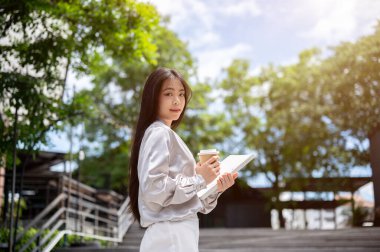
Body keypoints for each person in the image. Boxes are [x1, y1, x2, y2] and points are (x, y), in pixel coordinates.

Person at [128, 67, 238, 252]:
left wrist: (215, 188)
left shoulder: (161, 133)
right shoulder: (159, 133)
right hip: (172, 233)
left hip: (177, 232)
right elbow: (154, 188)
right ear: (153, 97)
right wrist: (199, 179)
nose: (177, 100)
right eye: (168, 93)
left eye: (181, 94)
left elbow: (186, 203)